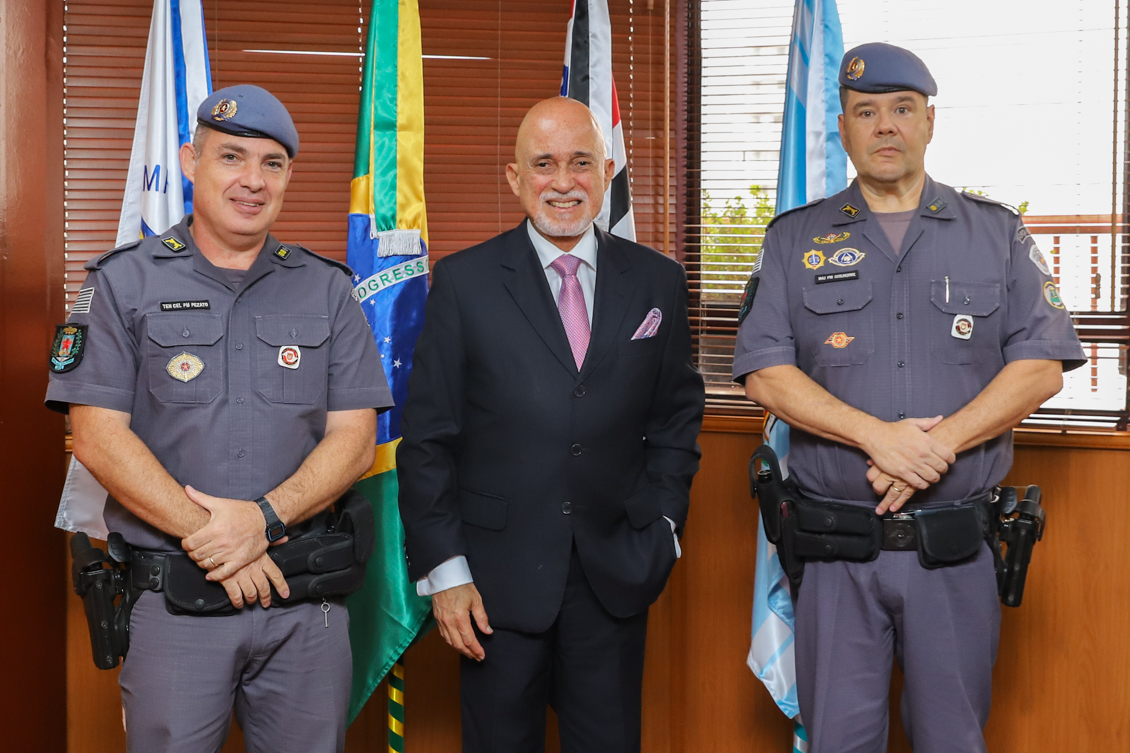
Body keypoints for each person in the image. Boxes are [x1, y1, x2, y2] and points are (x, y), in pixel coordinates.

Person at [733, 43, 1085, 753]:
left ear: (929, 121)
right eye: (867, 112)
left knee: (952, 740)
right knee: (838, 742)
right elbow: (766, 373)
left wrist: (934, 445)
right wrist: (877, 436)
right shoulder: (794, 239)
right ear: (843, 127)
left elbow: (1043, 364)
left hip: (952, 553)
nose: (885, 125)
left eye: (902, 110)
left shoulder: (997, 234)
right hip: (835, 555)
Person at [46, 84, 392, 753]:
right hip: (174, 601)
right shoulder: (122, 283)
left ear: (288, 175)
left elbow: (354, 441)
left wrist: (259, 522)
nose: (252, 180)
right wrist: (214, 536)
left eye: (271, 163)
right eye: (232, 157)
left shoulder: (327, 289)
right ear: (189, 160)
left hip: (303, 602)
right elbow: (95, 435)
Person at [396, 96, 704, 753]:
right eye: (543, 164)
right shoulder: (462, 282)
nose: (562, 182)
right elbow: (427, 441)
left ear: (608, 170)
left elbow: (676, 414)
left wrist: (666, 529)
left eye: (580, 163)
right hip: (493, 582)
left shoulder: (658, 283)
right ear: (514, 177)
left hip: (615, 573)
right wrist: (446, 575)